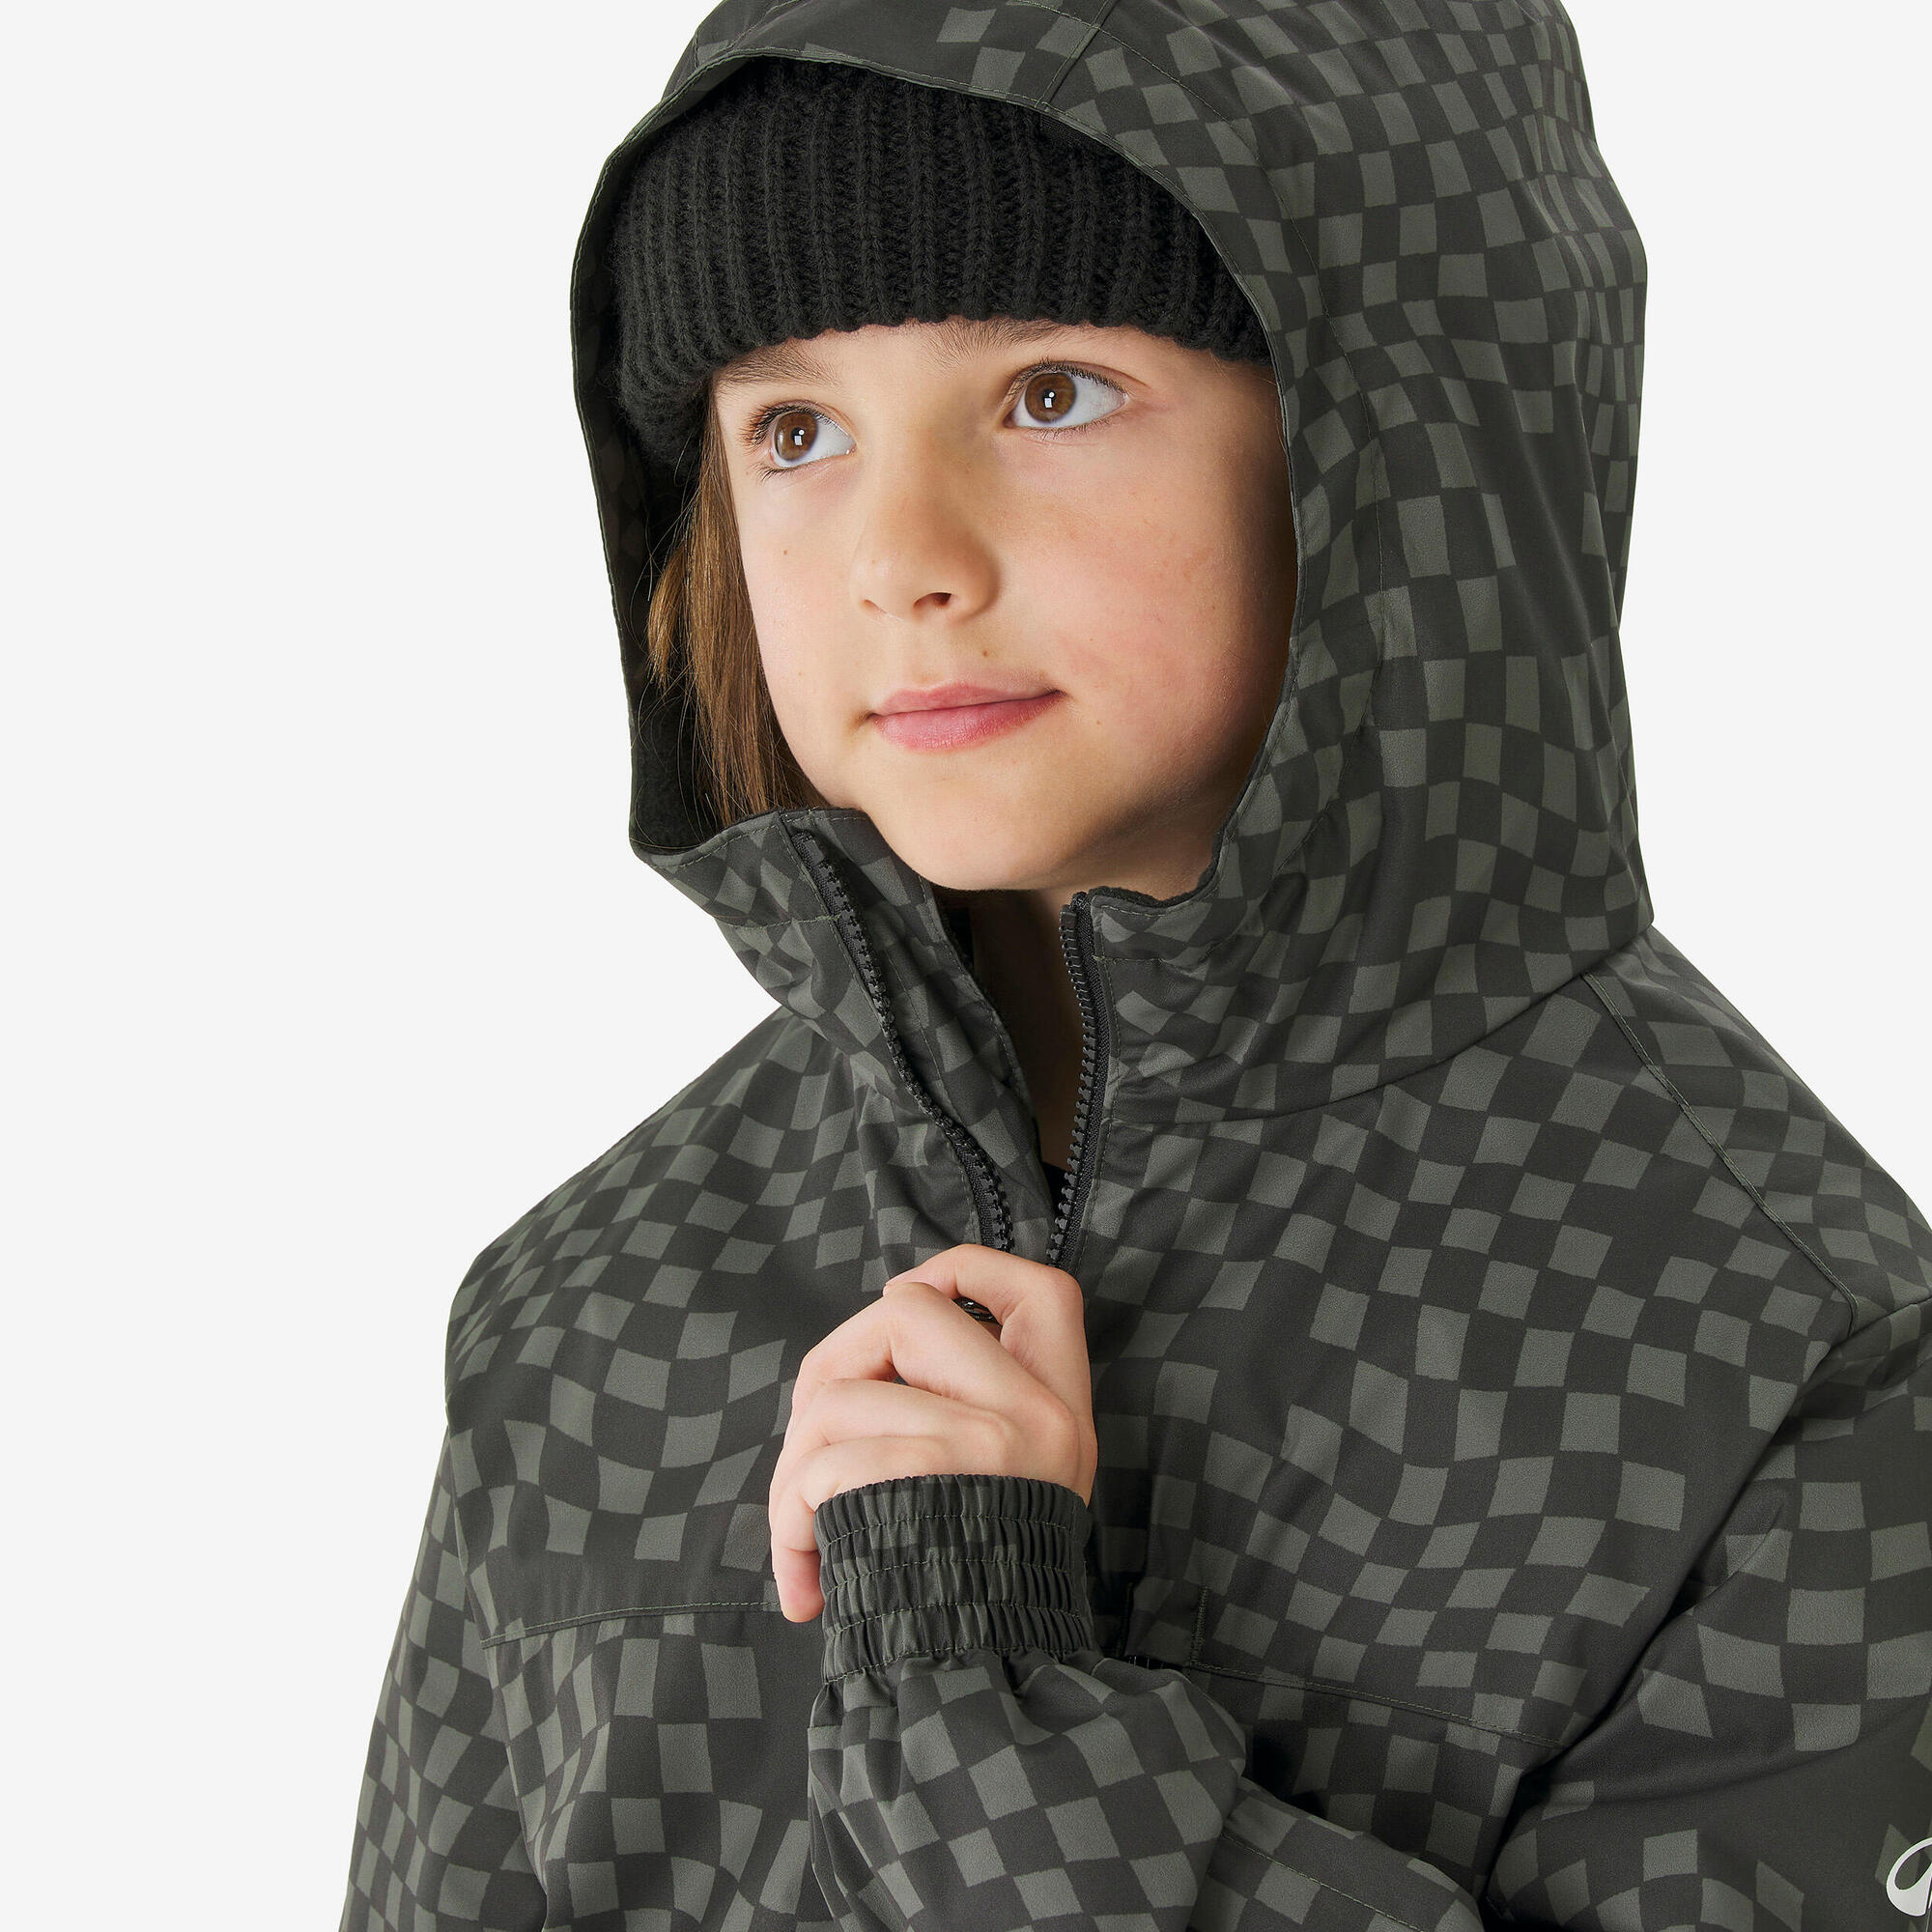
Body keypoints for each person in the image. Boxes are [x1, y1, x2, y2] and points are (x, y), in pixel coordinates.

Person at [338, 8, 1932, 1929]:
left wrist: (987, 1717)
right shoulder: (586, 1312)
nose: (900, 556)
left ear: (1391, 445)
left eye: (1053, 392)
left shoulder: (1765, 1345)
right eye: (795, 430)